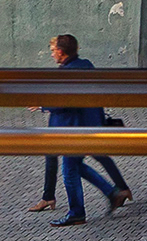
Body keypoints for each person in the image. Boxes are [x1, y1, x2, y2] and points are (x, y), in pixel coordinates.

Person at [34, 34, 132, 227]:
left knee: (70, 171)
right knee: (77, 167)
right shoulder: (85, 65)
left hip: (72, 129)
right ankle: (113, 193)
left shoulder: (67, 73)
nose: (52, 54)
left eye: (53, 51)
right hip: (86, 125)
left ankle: (78, 212)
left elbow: (62, 102)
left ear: (61, 52)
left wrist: (41, 105)